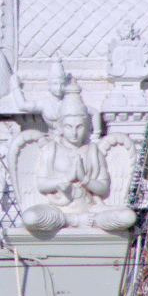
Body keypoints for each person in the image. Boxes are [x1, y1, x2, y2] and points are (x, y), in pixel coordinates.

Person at [23, 81, 135, 231]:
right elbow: (41, 184)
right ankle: (72, 220)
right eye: (68, 126)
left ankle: (82, 220)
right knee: (30, 217)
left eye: (79, 126)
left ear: (87, 126)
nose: (74, 133)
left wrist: (84, 179)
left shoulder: (92, 151)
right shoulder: (52, 150)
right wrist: (63, 180)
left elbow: (103, 188)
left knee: (127, 217)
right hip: (59, 210)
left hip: (91, 210)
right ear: (60, 127)